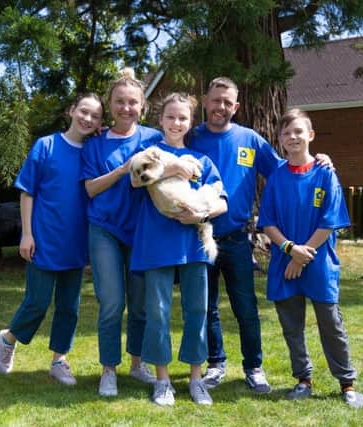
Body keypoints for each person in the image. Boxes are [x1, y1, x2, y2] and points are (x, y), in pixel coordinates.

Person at [184, 77, 332, 393]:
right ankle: (215, 364)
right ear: (206, 101)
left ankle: (254, 367)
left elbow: (285, 169)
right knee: (206, 307)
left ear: (235, 107)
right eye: (216, 100)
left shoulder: (249, 140)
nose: (221, 107)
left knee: (246, 308)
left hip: (238, 237)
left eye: (228, 102)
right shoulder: (191, 137)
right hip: (198, 236)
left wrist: (319, 160)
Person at [81, 69, 196, 396]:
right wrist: (122, 169)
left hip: (144, 232)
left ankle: (137, 364)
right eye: (120, 102)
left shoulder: (152, 139)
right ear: (110, 104)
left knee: (142, 304)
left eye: (133, 102)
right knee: (112, 303)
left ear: (142, 107)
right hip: (104, 229)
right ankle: (108, 370)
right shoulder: (95, 145)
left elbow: (182, 148)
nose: (126, 108)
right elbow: (89, 189)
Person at [258, 109, 363, 408]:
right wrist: (290, 249)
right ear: (279, 139)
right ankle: (303, 379)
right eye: (286, 133)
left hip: (319, 262)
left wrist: (302, 256)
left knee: (331, 323)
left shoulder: (325, 173)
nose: (292, 137)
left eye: (298, 131)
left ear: (311, 135)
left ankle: (347, 383)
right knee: (292, 326)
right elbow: (267, 222)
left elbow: (330, 221)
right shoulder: (276, 177)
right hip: (285, 260)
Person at [0, 93, 104, 386]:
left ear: (100, 123)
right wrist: (27, 234)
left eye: (95, 116)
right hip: (43, 238)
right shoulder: (46, 145)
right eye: (84, 111)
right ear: (71, 110)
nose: (87, 119)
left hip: (77, 243)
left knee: (69, 306)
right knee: (37, 302)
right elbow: (27, 191)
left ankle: (59, 360)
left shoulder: (95, 151)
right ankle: (8, 338)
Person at [130, 93, 228, 406]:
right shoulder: (149, 154)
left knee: (197, 311)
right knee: (157, 313)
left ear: (190, 123)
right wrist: (173, 169)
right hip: (156, 243)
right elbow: (136, 179)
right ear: (160, 120)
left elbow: (222, 203)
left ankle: (197, 379)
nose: (176, 123)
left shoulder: (203, 161)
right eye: (170, 117)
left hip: (194, 244)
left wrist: (200, 214)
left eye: (182, 118)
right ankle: (162, 381)